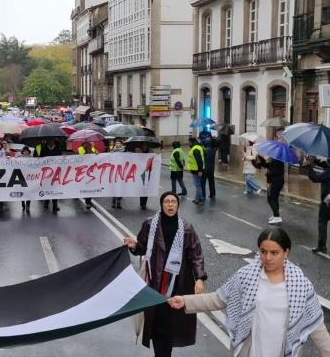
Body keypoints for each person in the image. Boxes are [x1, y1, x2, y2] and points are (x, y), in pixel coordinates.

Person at [168, 227, 330, 357]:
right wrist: (185, 301)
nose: (267, 257)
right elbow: (219, 298)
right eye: (263, 251)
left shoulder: (301, 285)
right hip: (249, 350)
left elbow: (316, 326)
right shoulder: (247, 276)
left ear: (286, 252)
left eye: (274, 253)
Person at [123, 191, 207, 356]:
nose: (170, 205)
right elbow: (141, 247)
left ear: (177, 205)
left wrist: (199, 278)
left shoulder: (187, 228)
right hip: (155, 283)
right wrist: (133, 245)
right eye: (167, 202)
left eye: (173, 202)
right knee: (157, 324)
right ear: (161, 205)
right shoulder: (150, 225)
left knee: (170, 324)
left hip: (177, 284)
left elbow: (196, 254)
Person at [304, 156, 330, 254]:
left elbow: (316, 178)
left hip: (327, 202)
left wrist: (309, 166)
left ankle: (322, 246)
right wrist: (315, 161)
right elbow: (326, 165)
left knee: (322, 222)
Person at [36, 139, 62, 212]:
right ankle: (46, 202)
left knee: (55, 188)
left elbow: (61, 159)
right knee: (46, 187)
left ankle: (55, 204)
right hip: (46, 172)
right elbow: (40, 158)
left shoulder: (58, 149)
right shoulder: (44, 149)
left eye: (52, 141)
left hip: (55, 172)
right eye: (49, 141)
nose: (51, 142)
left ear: (54, 142)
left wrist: (63, 158)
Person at [257, 155, 285, 224]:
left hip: (274, 182)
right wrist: (261, 159)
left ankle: (277, 217)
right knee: (274, 198)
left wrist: (267, 174)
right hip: (278, 181)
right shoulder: (278, 159)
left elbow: (272, 171)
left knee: (271, 199)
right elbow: (267, 165)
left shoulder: (276, 160)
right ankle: (275, 214)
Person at [78, 141, 97, 208]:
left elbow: (96, 157)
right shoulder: (80, 149)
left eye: (89, 143)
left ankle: (89, 201)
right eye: (86, 143)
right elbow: (80, 157)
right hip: (83, 171)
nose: (88, 144)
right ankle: (87, 201)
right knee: (86, 186)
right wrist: (88, 150)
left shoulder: (92, 148)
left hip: (91, 170)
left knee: (91, 186)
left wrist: (96, 152)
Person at [187, 137, 205, 205]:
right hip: (197, 169)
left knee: (197, 185)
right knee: (198, 185)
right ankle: (199, 198)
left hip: (196, 170)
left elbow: (199, 160)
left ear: (192, 142)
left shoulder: (195, 149)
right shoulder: (197, 147)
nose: (188, 143)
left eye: (189, 142)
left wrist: (200, 171)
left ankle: (198, 200)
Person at [111, 140, 126, 209]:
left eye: (119, 143)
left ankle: (119, 201)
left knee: (121, 187)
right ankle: (113, 201)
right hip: (114, 171)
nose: (117, 144)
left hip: (122, 171)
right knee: (114, 187)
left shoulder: (124, 150)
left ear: (121, 144)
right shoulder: (112, 150)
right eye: (116, 143)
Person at [20, 146, 32, 212]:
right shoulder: (20, 159)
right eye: (24, 151)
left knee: (29, 191)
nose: (26, 152)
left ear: (29, 152)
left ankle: (28, 205)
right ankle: (22, 203)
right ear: (23, 152)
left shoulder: (31, 158)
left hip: (30, 177)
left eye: (27, 151)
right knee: (23, 191)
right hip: (22, 177)